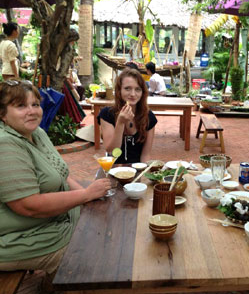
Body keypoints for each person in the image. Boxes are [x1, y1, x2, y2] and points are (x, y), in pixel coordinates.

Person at [0, 80, 110, 286]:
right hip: (14, 236)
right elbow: (27, 205)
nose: (32, 111)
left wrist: (88, 200)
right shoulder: (5, 143)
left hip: (50, 219)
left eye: (35, 104)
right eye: (21, 106)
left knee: (97, 225)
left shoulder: (37, 133)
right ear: (3, 114)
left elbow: (61, 174)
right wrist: (85, 195)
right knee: (86, 251)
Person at [98, 68, 157, 164]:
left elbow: (145, 155)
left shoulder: (149, 117)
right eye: (127, 88)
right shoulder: (107, 114)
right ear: (119, 90)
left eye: (137, 89)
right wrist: (120, 123)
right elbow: (111, 151)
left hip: (137, 170)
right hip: (114, 169)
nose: (133, 94)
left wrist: (144, 175)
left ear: (143, 93)